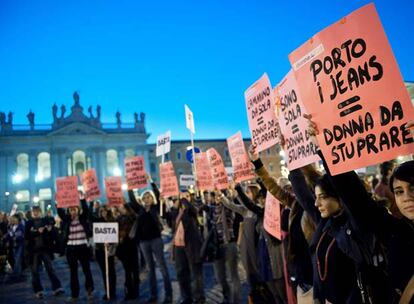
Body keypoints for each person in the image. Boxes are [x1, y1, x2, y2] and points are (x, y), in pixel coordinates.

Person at [128, 174, 173, 304]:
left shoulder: (155, 208)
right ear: (142, 200)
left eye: (148, 197)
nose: (147, 199)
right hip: (143, 242)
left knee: (162, 267)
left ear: (152, 199)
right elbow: (131, 199)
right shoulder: (140, 210)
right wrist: (130, 184)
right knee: (150, 269)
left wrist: (151, 181)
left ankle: (168, 295)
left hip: (156, 240)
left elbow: (158, 194)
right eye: (144, 198)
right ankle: (153, 295)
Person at [57, 193, 94, 300]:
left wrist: (82, 199)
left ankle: (89, 290)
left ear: (78, 210)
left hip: (82, 247)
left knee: (86, 270)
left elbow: (86, 209)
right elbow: (60, 213)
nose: (73, 211)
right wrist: (58, 201)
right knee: (73, 272)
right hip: (71, 249)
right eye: (71, 209)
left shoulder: (83, 218)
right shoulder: (67, 220)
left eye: (74, 209)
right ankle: (74, 294)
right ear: (68, 211)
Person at [25, 206, 63, 299]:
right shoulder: (29, 222)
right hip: (34, 251)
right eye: (34, 212)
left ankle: (57, 288)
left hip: (45, 249)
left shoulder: (45, 220)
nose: (36, 213)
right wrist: (38, 232)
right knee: (34, 272)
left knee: (50, 269)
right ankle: (38, 290)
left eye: (37, 211)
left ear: (41, 212)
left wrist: (49, 230)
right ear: (32, 213)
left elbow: (51, 230)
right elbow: (27, 236)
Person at [174, 193, 205, 304]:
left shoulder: (192, 209)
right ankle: (186, 297)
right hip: (179, 247)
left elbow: (193, 210)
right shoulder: (176, 212)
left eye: (186, 196)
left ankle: (199, 298)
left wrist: (184, 200)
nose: (183, 198)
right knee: (181, 273)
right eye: (181, 196)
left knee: (196, 274)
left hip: (192, 247)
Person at [92, 206, 117, 300]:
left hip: (110, 250)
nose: (103, 212)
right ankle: (108, 292)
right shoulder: (98, 221)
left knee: (111, 271)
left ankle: (112, 292)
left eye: (105, 210)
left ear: (108, 211)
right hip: (100, 250)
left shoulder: (112, 221)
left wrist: (110, 243)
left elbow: (114, 235)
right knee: (104, 272)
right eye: (101, 211)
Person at [115, 203, 140, 300]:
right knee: (127, 271)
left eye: (121, 206)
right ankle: (129, 291)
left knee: (134, 270)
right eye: (119, 206)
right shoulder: (118, 219)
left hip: (132, 246)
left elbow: (134, 221)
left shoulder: (133, 217)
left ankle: (135, 291)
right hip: (123, 247)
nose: (120, 208)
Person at [4, 213, 25, 282]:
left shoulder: (21, 226)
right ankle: (18, 275)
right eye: (12, 219)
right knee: (16, 260)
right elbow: (9, 235)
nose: (13, 220)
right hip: (14, 245)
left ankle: (16, 275)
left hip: (20, 245)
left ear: (18, 219)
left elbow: (20, 235)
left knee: (17, 260)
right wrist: (6, 236)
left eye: (14, 218)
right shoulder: (11, 226)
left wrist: (12, 235)